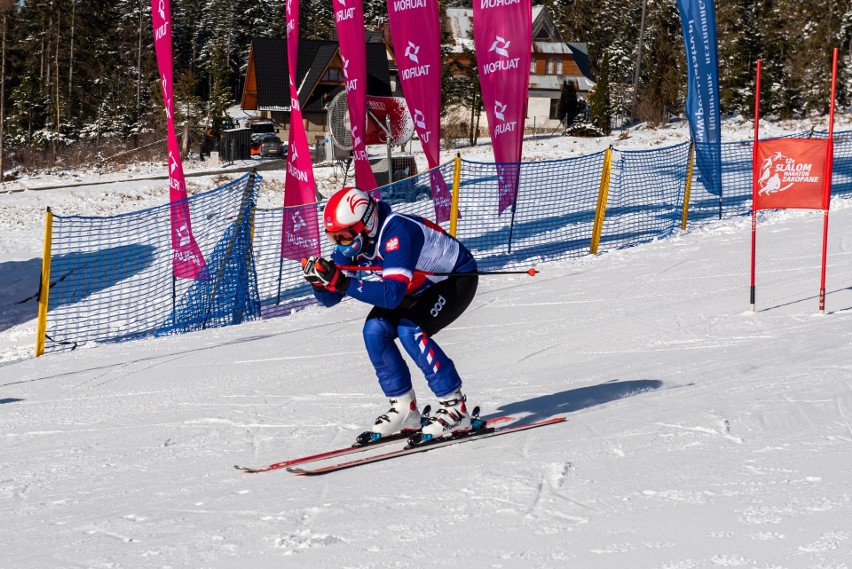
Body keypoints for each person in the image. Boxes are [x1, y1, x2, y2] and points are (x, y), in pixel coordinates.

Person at [301, 186, 479, 444]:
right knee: (374, 330)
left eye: (344, 236)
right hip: (418, 285)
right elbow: (330, 299)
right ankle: (405, 409)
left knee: (411, 329)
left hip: (454, 279)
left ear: (367, 222)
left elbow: (392, 295)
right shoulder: (351, 243)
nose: (339, 243)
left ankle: (455, 407)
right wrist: (320, 282)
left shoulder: (397, 232)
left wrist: (342, 283)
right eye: (333, 237)